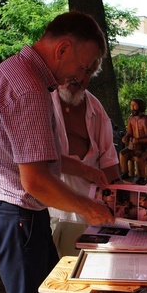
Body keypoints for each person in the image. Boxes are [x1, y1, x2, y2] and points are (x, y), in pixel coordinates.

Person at [0, 11, 115, 293]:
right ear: (63, 48)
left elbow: (34, 156)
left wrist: (82, 168)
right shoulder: (29, 90)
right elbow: (36, 180)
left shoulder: (19, 73)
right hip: (16, 213)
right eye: (83, 66)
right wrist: (88, 207)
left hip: (19, 212)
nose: (81, 76)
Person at [49, 57, 121, 257]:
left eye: (88, 73)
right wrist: (85, 170)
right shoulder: (43, 102)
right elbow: (42, 160)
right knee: (50, 276)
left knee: (85, 272)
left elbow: (109, 161)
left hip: (89, 212)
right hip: (50, 210)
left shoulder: (95, 109)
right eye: (78, 68)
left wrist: (122, 199)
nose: (79, 78)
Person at [119, 98, 147, 185]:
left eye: (134, 105)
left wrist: (138, 140)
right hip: (134, 147)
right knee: (122, 154)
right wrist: (126, 138)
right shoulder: (131, 119)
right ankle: (125, 172)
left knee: (140, 157)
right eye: (131, 106)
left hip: (146, 147)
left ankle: (141, 177)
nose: (132, 108)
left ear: (140, 106)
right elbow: (129, 133)